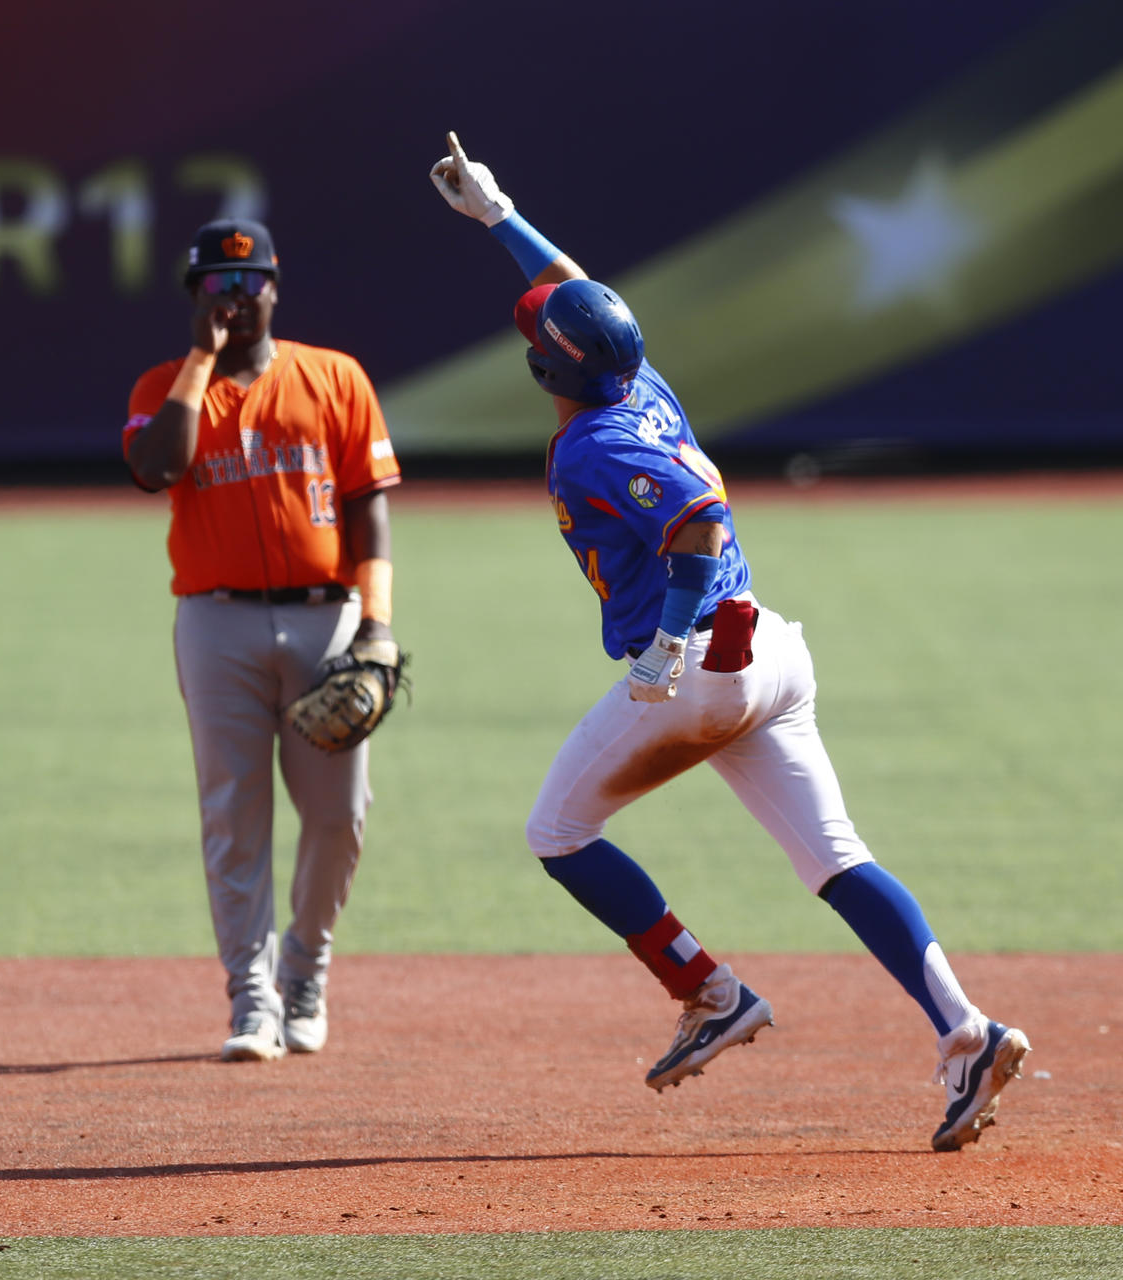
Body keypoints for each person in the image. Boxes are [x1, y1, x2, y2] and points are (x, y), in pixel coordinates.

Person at [428, 132, 1029, 1151]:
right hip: (771, 654)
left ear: (540, 368)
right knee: (838, 858)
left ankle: (711, 991)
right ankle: (967, 1029)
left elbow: (701, 518)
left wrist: (665, 645)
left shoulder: (593, 440)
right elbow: (582, 296)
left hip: (701, 664)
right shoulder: (635, 376)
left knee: (557, 834)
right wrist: (498, 215)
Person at [122, 217, 403, 1062]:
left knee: (339, 814)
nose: (236, 300)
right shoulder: (163, 388)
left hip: (328, 615)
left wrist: (379, 625)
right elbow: (155, 469)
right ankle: (251, 998)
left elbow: (369, 512)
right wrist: (201, 365)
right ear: (195, 297)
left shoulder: (335, 377)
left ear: (276, 287)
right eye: (218, 285)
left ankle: (305, 965)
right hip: (216, 622)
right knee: (232, 815)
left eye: (249, 284)